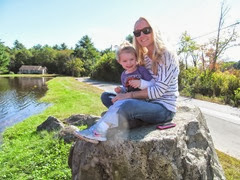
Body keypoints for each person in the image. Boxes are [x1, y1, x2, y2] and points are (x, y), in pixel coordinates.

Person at [74, 41, 154, 144]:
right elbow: (127, 89)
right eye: (125, 61)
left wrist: (141, 83)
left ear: (136, 58)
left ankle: (98, 131)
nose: (129, 63)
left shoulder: (141, 70)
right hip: (128, 100)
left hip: (141, 102)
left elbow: (152, 85)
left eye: (131, 59)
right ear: (119, 61)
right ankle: (126, 120)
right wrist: (121, 90)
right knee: (106, 96)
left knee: (120, 103)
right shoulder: (123, 75)